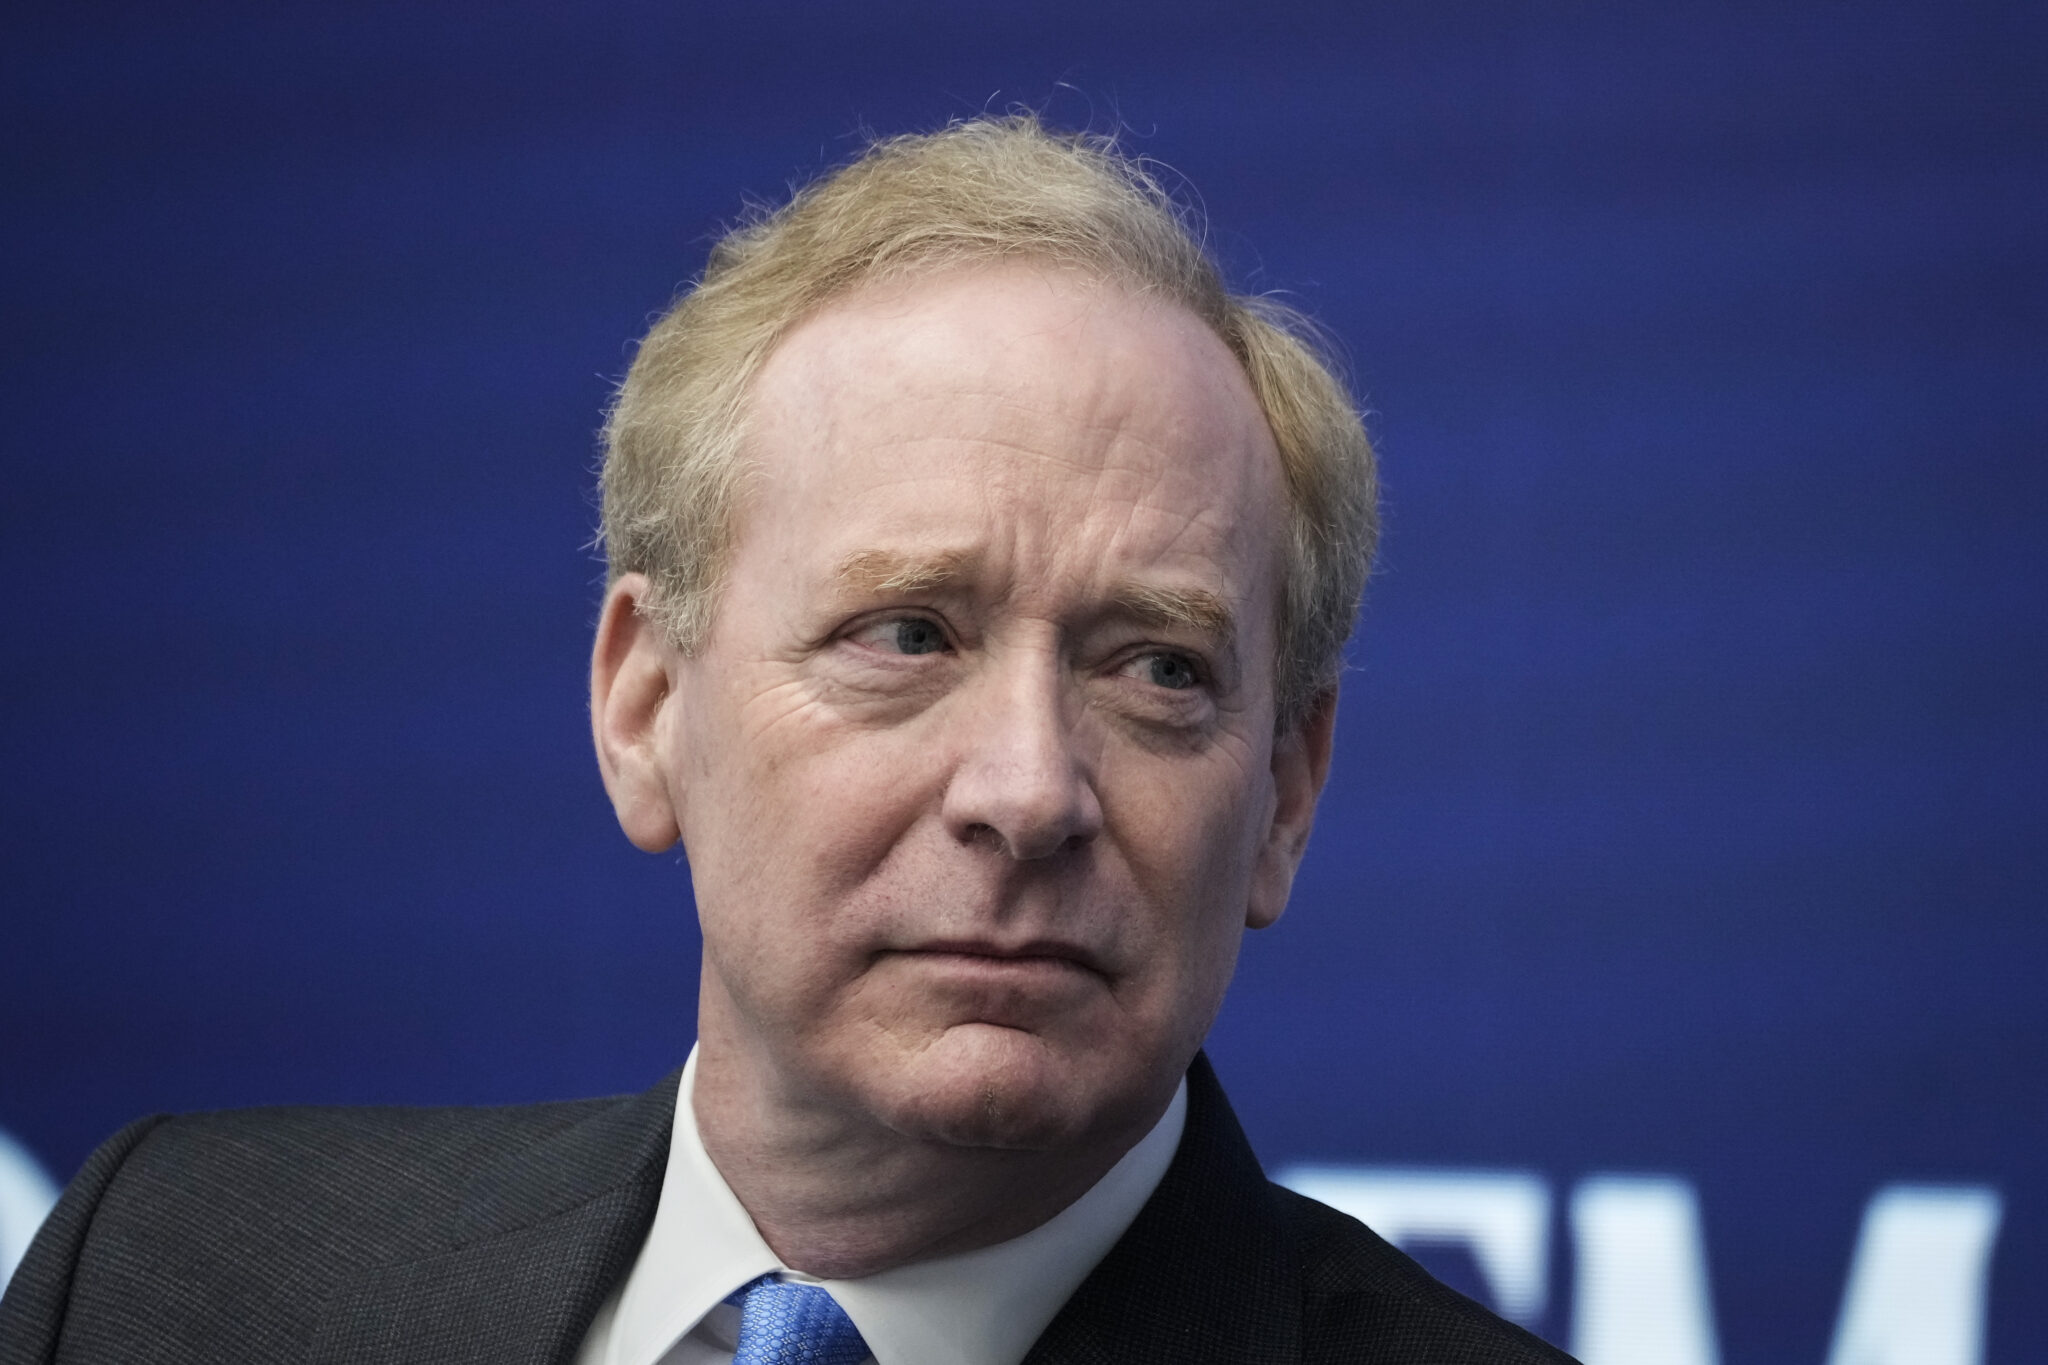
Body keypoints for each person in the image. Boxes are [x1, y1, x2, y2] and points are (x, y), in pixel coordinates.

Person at [0, 117, 1575, 1365]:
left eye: (1158, 668)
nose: (1029, 789)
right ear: (645, 706)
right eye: (908, 634)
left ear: (1288, 791)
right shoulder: (169, 1275)